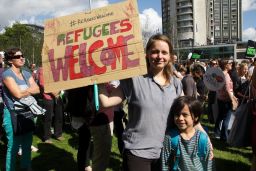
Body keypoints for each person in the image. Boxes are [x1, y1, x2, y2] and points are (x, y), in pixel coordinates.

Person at [99, 34, 183, 171]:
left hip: (167, 150)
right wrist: (98, 80)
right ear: (147, 54)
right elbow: (106, 102)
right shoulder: (134, 80)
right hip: (137, 151)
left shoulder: (176, 84)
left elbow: (187, 114)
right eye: (155, 51)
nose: (159, 56)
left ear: (170, 56)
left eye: (164, 52)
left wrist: (203, 136)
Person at [2, 48, 40, 171]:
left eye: (22, 55)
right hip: (12, 114)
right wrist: (29, 90)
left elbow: (38, 89)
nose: (22, 58)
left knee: (27, 144)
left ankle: (26, 168)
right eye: (18, 57)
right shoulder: (7, 74)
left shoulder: (26, 73)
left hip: (27, 112)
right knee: (13, 146)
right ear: (10, 61)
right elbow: (17, 94)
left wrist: (24, 91)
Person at [161, 96, 215, 171]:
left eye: (185, 115)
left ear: (196, 117)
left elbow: (209, 165)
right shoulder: (170, 138)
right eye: (177, 114)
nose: (180, 118)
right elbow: (164, 165)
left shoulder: (202, 139)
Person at [37, 67, 64, 143]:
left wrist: (58, 91)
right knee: (48, 118)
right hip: (48, 97)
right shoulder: (42, 69)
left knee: (59, 116)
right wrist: (54, 92)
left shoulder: (56, 68)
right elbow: (42, 84)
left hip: (58, 95)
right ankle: (47, 137)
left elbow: (61, 80)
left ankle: (58, 134)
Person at [214, 59, 238, 141]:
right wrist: (232, 100)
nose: (231, 64)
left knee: (220, 116)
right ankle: (224, 137)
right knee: (226, 119)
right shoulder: (226, 76)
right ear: (225, 65)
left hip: (220, 98)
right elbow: (228, 89)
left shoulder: (220, 74)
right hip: (226, 99)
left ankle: (217, 133)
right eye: (229, 63)